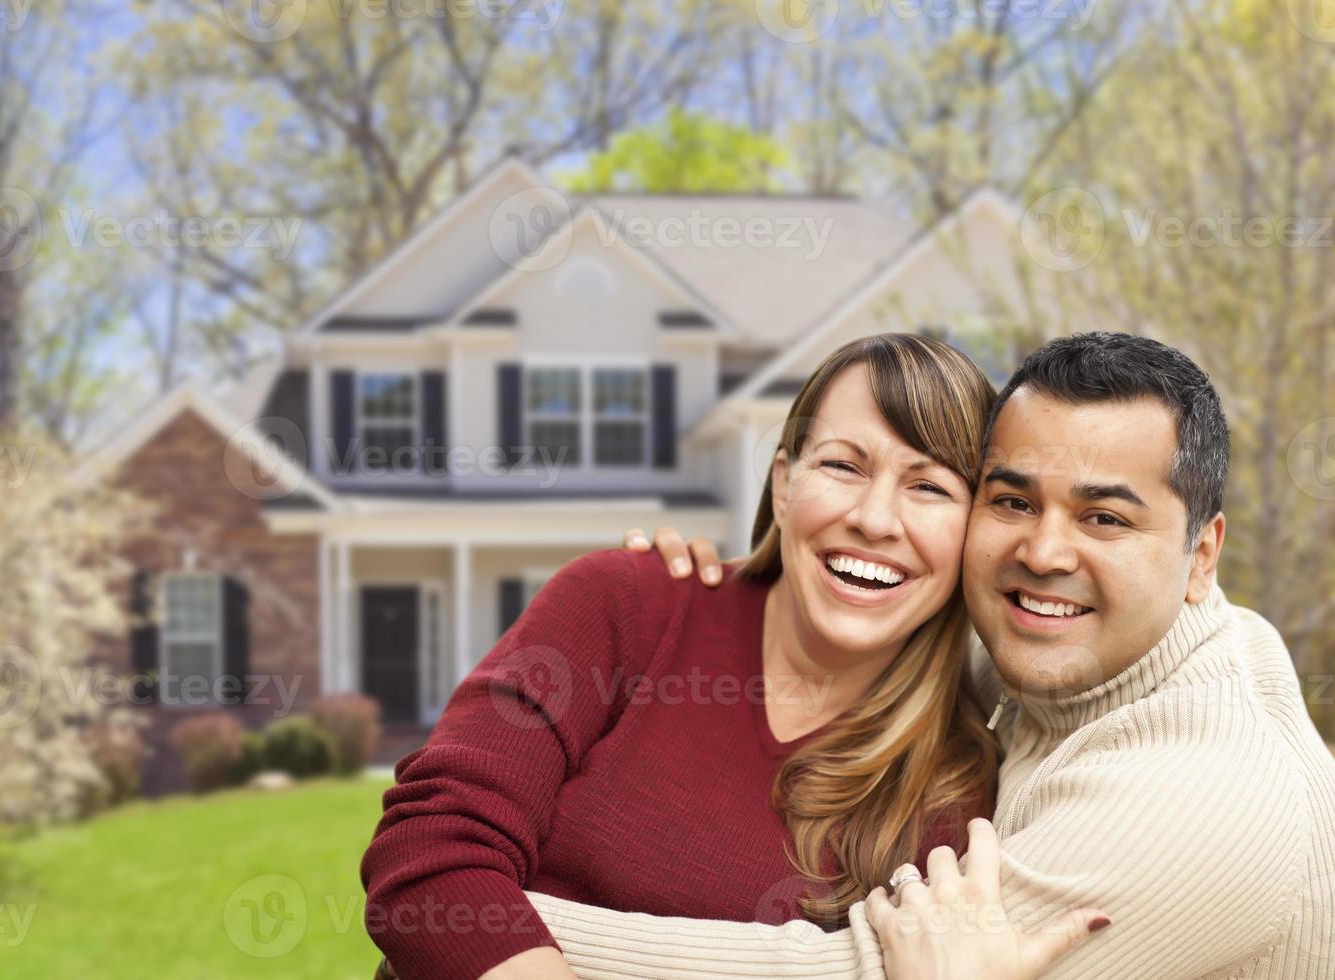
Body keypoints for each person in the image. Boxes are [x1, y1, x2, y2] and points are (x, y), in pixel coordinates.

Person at [525, 332, 1335, 979]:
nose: (1045, 552)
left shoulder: (1205, 799)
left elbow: (852, 973)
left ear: (1203, 556)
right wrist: (693, 593)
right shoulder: (1041, 651)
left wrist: (492, 922)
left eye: (1105, 520)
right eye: (1013, 501)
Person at [360, 334, 1106, 980]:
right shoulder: (627, 606)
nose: (875, 520)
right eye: (843, 467)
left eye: (929, 488)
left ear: (972, 531)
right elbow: (429, 856)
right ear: (783, 484)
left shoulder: (949, 789)